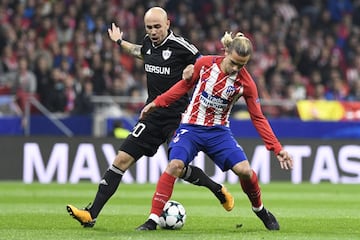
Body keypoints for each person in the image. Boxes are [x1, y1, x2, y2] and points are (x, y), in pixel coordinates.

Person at [66, 7, 234, 228]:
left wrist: (192, 68)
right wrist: (119, 42)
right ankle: (91, 214)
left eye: (157, 27)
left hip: (178, 116)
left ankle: (217, 189)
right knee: (121, 160)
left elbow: (206, 64)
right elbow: (139, 51)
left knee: (178, 167)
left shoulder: (181, 46)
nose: (153, 31)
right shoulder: (148, 43)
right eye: (149, 27)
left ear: (167, 24)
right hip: (152, 114)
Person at [137, 31, 294, 231]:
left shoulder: (246, 83)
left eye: (242, 65)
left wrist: (277, 148)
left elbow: (258, 117)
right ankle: (152, 220)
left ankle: (260, 209)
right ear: (226, 51)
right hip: (190, 128)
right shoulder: (205, 64)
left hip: (219, 132)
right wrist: (157, 103)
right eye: (234, 62)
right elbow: (182, 87)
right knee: (174, 165)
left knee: (245, 171)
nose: (236, 68)